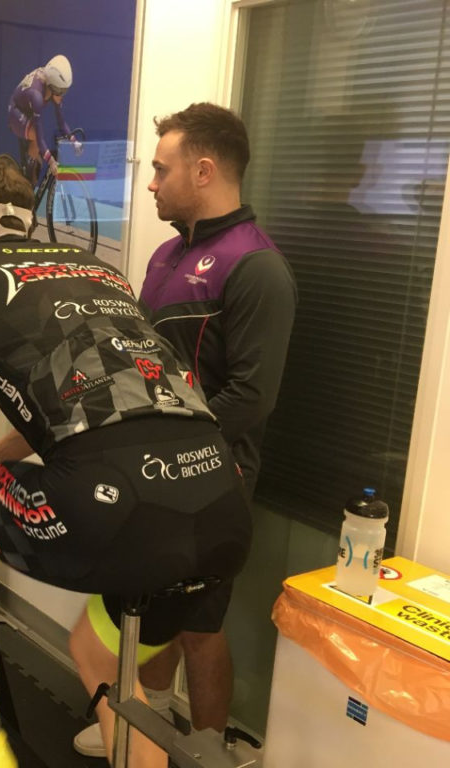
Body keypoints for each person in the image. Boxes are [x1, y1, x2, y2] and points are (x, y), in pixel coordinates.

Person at [0, 155, 252, 768]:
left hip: (113, 506)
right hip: (220, 503)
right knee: (104, 664)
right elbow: (86, 403)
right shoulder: (97, 269)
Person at [72, 102, 298, 757]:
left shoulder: (257, 268)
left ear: (203, 171)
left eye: (161, 169)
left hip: (217, 477)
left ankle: (208, 747)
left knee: (199, 622)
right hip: (156, 465)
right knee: (151, 601)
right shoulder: (170, 253)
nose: (150, 183)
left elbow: (252, 398)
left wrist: (176, 445)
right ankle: (155, 720)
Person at [8, 54, 82, 183]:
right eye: (61, 92)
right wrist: (52, 162)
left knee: (40, 154)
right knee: (37, 139)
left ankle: (30, 169)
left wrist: (74, 141)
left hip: (27, 107)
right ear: (53, 87)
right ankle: (27, 181)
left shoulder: (50, 84)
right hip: (16, 112)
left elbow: (61, 122)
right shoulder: (37, 96)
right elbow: (40, 136)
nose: (62, 96)